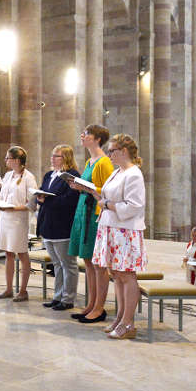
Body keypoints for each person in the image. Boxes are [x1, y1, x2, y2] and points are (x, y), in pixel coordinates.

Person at [89, 134, 147, 339]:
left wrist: (106, 204)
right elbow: (109, 197)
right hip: (110, 227)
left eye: (112, 150)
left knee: (127, 275)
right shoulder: (117, 172)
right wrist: (98, 197)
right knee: (116, 275)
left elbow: (134, 206)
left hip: (125, 230)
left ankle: (128, 323)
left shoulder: (134, 174)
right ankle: (120, 317)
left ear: (123, 151)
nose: (110, 154)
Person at [68, 125, 115, 323]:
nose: (82, 135)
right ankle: (91, 303)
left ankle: (99, 307)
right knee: (87, 262)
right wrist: (78, 186)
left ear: (97, 139)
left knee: (98, 265)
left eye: (86, 134)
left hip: (96, 215)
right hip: (83, 210)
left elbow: (109, 190)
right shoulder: (89, 161)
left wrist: (86, 187)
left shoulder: (104, 162)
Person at [36, 145, 81, 311]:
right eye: (52, 155)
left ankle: (68, 299)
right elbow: (43, 194)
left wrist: (47, 200)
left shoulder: (72, 176)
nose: (52, 158)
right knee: (56, 264)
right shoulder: (49, 175)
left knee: (68, 264)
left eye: (56, 156)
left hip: (63, 225)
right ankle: (57, 296)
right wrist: (39, 196)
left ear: (66, 158)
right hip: (48, 223)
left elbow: (71, 200)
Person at [0, 146, 37, 302]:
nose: (6, 160)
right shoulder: (7, 176)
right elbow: (2, 195)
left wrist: (14, 208)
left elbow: (32, 204)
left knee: (21, 253)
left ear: (17, 160)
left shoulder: (28, 178)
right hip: (5, 218)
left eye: (8, 158)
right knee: (8, 253)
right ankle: (8, 288)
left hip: (18, 219)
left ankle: (23, 290)